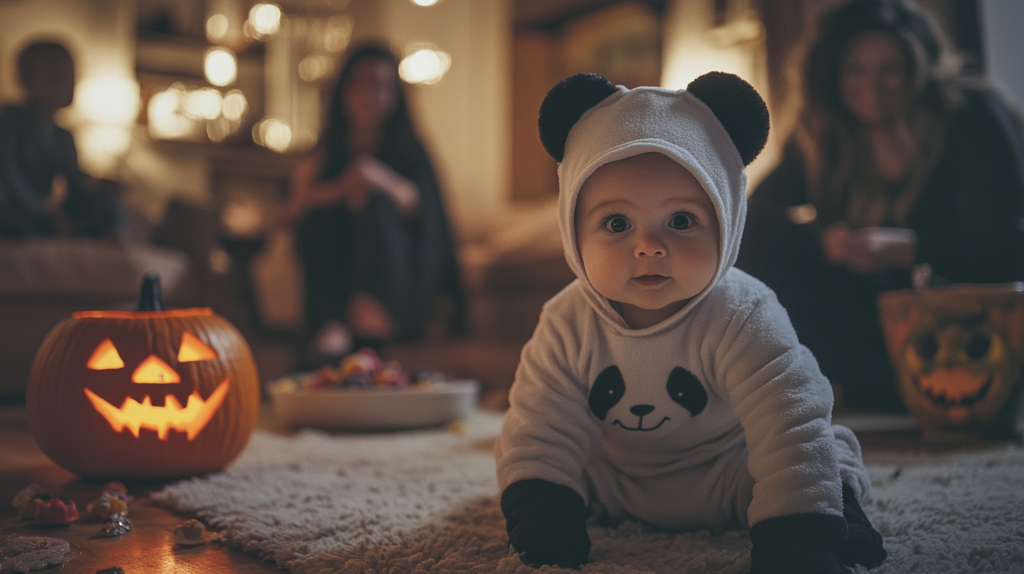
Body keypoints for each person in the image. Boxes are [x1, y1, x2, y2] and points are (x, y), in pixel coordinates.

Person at [494, 72, 886, 573]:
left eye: (681, 221)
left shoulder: (743, 313)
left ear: (726, 220)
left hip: (730, 471)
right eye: (616, 224)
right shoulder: (566, 321)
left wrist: (797, 531)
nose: (649, 246)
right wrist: (542, 515)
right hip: (616, 480)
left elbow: (787, 415)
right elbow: (541, 424)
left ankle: (835, 512)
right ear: (573, 233)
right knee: (528, 451)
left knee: (817, 453)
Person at [736, 0, 1024, 412]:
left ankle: (861, 390)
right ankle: (841, 387)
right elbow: (754, 215)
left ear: (917, 69)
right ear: (833, 75)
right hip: (866, 315)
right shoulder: (824, 135)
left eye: (889, 68)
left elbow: (1008, 250)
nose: (871, 85)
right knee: (745, 253)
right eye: (854, 69)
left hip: (959, 318)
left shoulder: (973, 116)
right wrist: (822, 241)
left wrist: (910, 248)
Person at [283, 43, 463, 360]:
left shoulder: (411, 149)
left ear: (396, 95)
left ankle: (369, 327)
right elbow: (292, 212)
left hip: (403, 289)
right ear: (343, 91)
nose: (370, 95)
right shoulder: (325, 152)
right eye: (361, 83)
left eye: (381, 85)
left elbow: (431, 217)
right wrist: (342, 187)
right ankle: (333, 325)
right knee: (318, 214)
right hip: (336, 286)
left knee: (378, 207)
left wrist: (377, 179)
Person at [0, 40, 123, 239]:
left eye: (71, 77)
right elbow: (8, 174)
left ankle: (112, 239)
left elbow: (75, 182)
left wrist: (97, 185)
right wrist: (44, 212)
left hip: (43, 214)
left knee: (106, 200)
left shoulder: (63, 136)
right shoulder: (9, 120)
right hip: (18, 209)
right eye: (56, 76)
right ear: (25, 79)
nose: (67, 84)